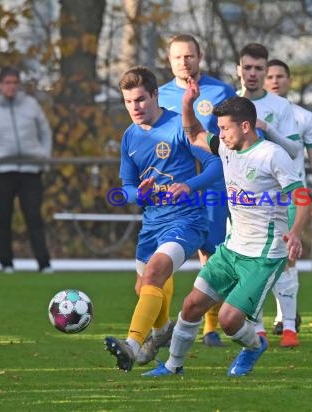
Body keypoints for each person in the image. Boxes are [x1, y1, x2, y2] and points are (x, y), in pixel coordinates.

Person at [142, 79, 310, 378]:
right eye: (219, 129)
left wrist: (295, 232)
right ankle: (172, 366)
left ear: (245, 126)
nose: (221, 135)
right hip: (232, 249)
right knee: (192, 305)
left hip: (263, 255)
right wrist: (187, 103)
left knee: (230, 320)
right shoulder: (226, 148)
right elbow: (194, 133)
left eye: (225, 129)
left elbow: (302, 197)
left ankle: (254, 346)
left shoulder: (271, 155)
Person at [103, 66, 222, 372]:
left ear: (155, 95)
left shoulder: (180, 126)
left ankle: (131, 345)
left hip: (187, 220)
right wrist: (138, 194)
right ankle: (161, 332)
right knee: (144, 289)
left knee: (155, 272)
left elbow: (214, 164)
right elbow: (127, 188)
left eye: (141, 99)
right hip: (152, 223)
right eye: (129, 102)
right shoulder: (129, 137)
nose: (135, 107)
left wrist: (188, 185)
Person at [154, 33, 237, 349]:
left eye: (189, 56)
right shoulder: (158, 96)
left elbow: (230, 139)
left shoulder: (220, 91)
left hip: (213, 185)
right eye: (177, 57)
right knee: (166, 250)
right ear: (169, 60)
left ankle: (210, 326)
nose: (183, 61)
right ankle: (161, 323)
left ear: (199, 57)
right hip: (173, 187)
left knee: (211, 252)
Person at [236, 43, 303, 341]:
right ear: (238, 69)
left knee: (285, 258)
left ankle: (289, 327)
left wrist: (268, 130)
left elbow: (294, 148)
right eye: (247, 67)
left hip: (277, 197)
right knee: (248, 260)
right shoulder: (230, 104)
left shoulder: (280, 106)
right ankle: (258, 327)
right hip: (242, 198)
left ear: (265, 71)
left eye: (258, 68)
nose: (252, 73)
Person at [263, 58, 312, 347]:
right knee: (257, 258)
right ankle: (265, 323)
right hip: (259, 197)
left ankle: (288, 326)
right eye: (270, 76)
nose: (275, 81)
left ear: (290, 81)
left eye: (281, 76)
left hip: (292, 195)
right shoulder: (248, 113)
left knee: (288, 256)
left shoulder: (303, 117)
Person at [0, 66, 53, 274]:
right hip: (1, 171)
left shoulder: (31, 105)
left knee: (34, 216)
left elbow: (45, 132)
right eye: (8, 82)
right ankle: (6, 263)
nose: (12, 87)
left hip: (31, 170)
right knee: (4, 217)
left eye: (15, 82)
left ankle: (44, 264)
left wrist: (43, 158)